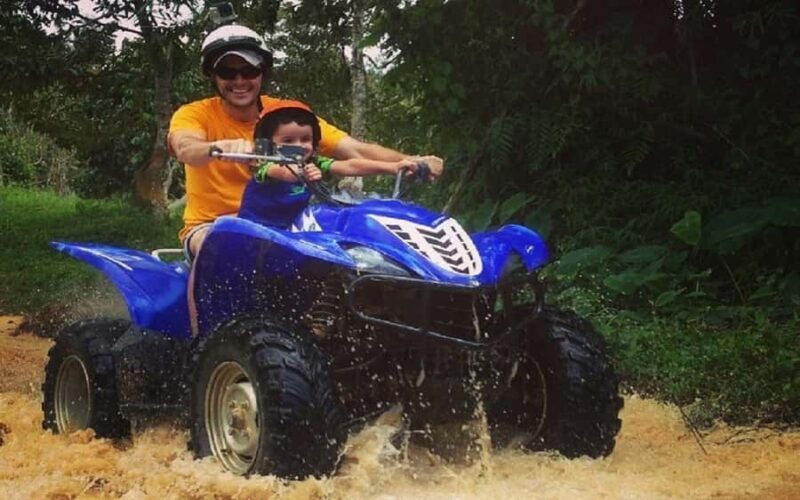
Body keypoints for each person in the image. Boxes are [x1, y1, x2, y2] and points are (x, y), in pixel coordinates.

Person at [168, 24, 443, 258]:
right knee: (221, 249)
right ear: (213, 76)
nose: (239, 80)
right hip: (213, 224)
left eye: (249, 71)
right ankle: (198, 309)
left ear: (263, 72)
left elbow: (353, 151)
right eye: (228, 73)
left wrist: (409, 161)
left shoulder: (285, 116)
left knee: (355, 254)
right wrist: (217, 148)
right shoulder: (195, 114)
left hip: (287, 226)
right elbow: (185, 147)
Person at [237, 100, 422, 228]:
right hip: (257, 230)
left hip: (294, 231)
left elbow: (350, 166)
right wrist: (302, 173)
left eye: (305, 139)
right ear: (269, 144)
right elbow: (283, 172)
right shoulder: (266, 165)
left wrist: (392, 167)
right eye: (288, 140)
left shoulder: (315, 162)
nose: (299, 146)